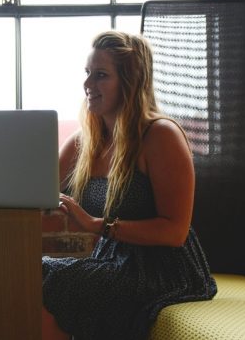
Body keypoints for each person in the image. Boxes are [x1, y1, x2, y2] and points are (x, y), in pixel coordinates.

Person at [42, 31, 217, 340]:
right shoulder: (87, 141)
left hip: (162, 271)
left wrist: (97, 224)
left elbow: (175, 232)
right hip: (110, 261)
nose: (87, 85)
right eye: (87, 74)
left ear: (129, 81)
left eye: (101, 76)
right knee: (31, 273)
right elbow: (37, 191)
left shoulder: (160, 135)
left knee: (50, 283)